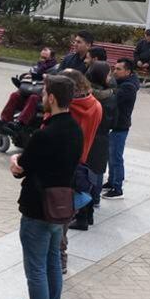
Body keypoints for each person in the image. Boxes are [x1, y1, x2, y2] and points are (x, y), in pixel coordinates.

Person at [5, 76, 82, 299]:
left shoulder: (45, 134)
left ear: (51, 98)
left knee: (36, 269)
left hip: (38, 208)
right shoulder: (75, 129)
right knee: (51, 264)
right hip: (61, 206)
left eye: (45, 92)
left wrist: (15, 160)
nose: (43, 96)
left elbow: (21, 167)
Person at [58, 70, 101, 268]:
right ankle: (61, 257)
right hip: (81, 163)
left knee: (54, 217)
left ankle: (58, 259)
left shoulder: (67, 110)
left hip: (61, 166)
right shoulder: (95, 105)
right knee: (64, 217)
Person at [79, 62, 117, 227]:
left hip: (86, 136)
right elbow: (114, 122)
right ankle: (93, 202)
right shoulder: (111, 97)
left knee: (84, 171)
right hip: (101, 138)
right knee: (97, 171)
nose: (110, 77)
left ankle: (84, 207)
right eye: (108, 74)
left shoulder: (85, 96)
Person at [102, 58, 139, 200]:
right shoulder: (123, 83)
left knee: (116, 157)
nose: (114, 72)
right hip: (115, 124)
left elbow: (112, 98)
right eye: (114, 68)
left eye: (118, 69)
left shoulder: (128, 87)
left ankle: (117, 188)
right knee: (111, 156)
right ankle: (111, 181)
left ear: (128, 71)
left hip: (120, 126)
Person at [0, 47, 57, 131]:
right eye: (41, 57)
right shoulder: (36, 67)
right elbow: (28, 78)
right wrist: (23, 77)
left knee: (33, 97)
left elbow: (51, 81)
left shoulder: (54, 69)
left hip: (40, 95)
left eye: (44, 57)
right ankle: (4, 120)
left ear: (51, 57)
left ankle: (20, 123)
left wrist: (38, 77)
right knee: (15, 95)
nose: (42, 59)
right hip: (28, 91)